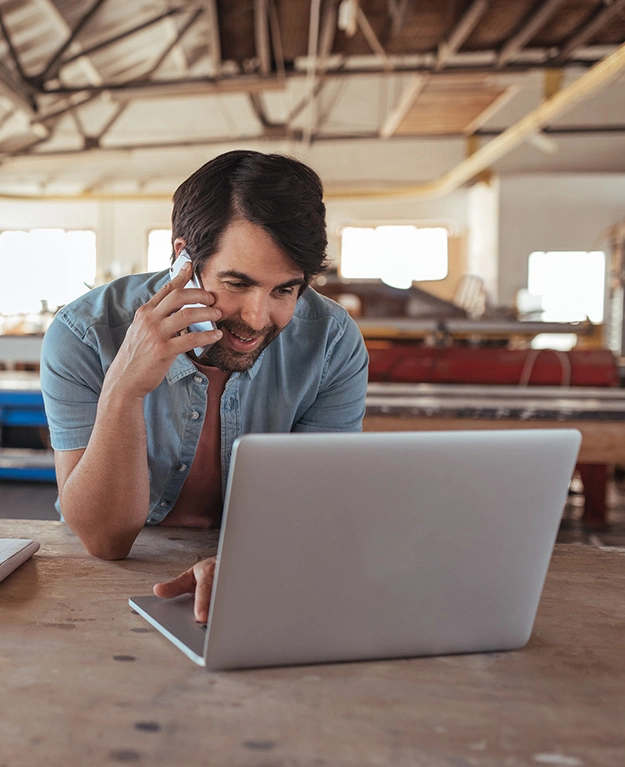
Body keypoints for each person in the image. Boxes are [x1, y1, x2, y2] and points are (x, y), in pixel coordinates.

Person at [40, 150, 369, 621]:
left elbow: (314, 514)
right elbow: (104, 541)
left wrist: (250, 564)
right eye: (237, 283)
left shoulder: (331, 342)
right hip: (103, 581)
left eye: (284, 290)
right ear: (183, 260)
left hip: (259, 571)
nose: (257, 319)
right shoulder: (86, 332)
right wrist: (125, 388)